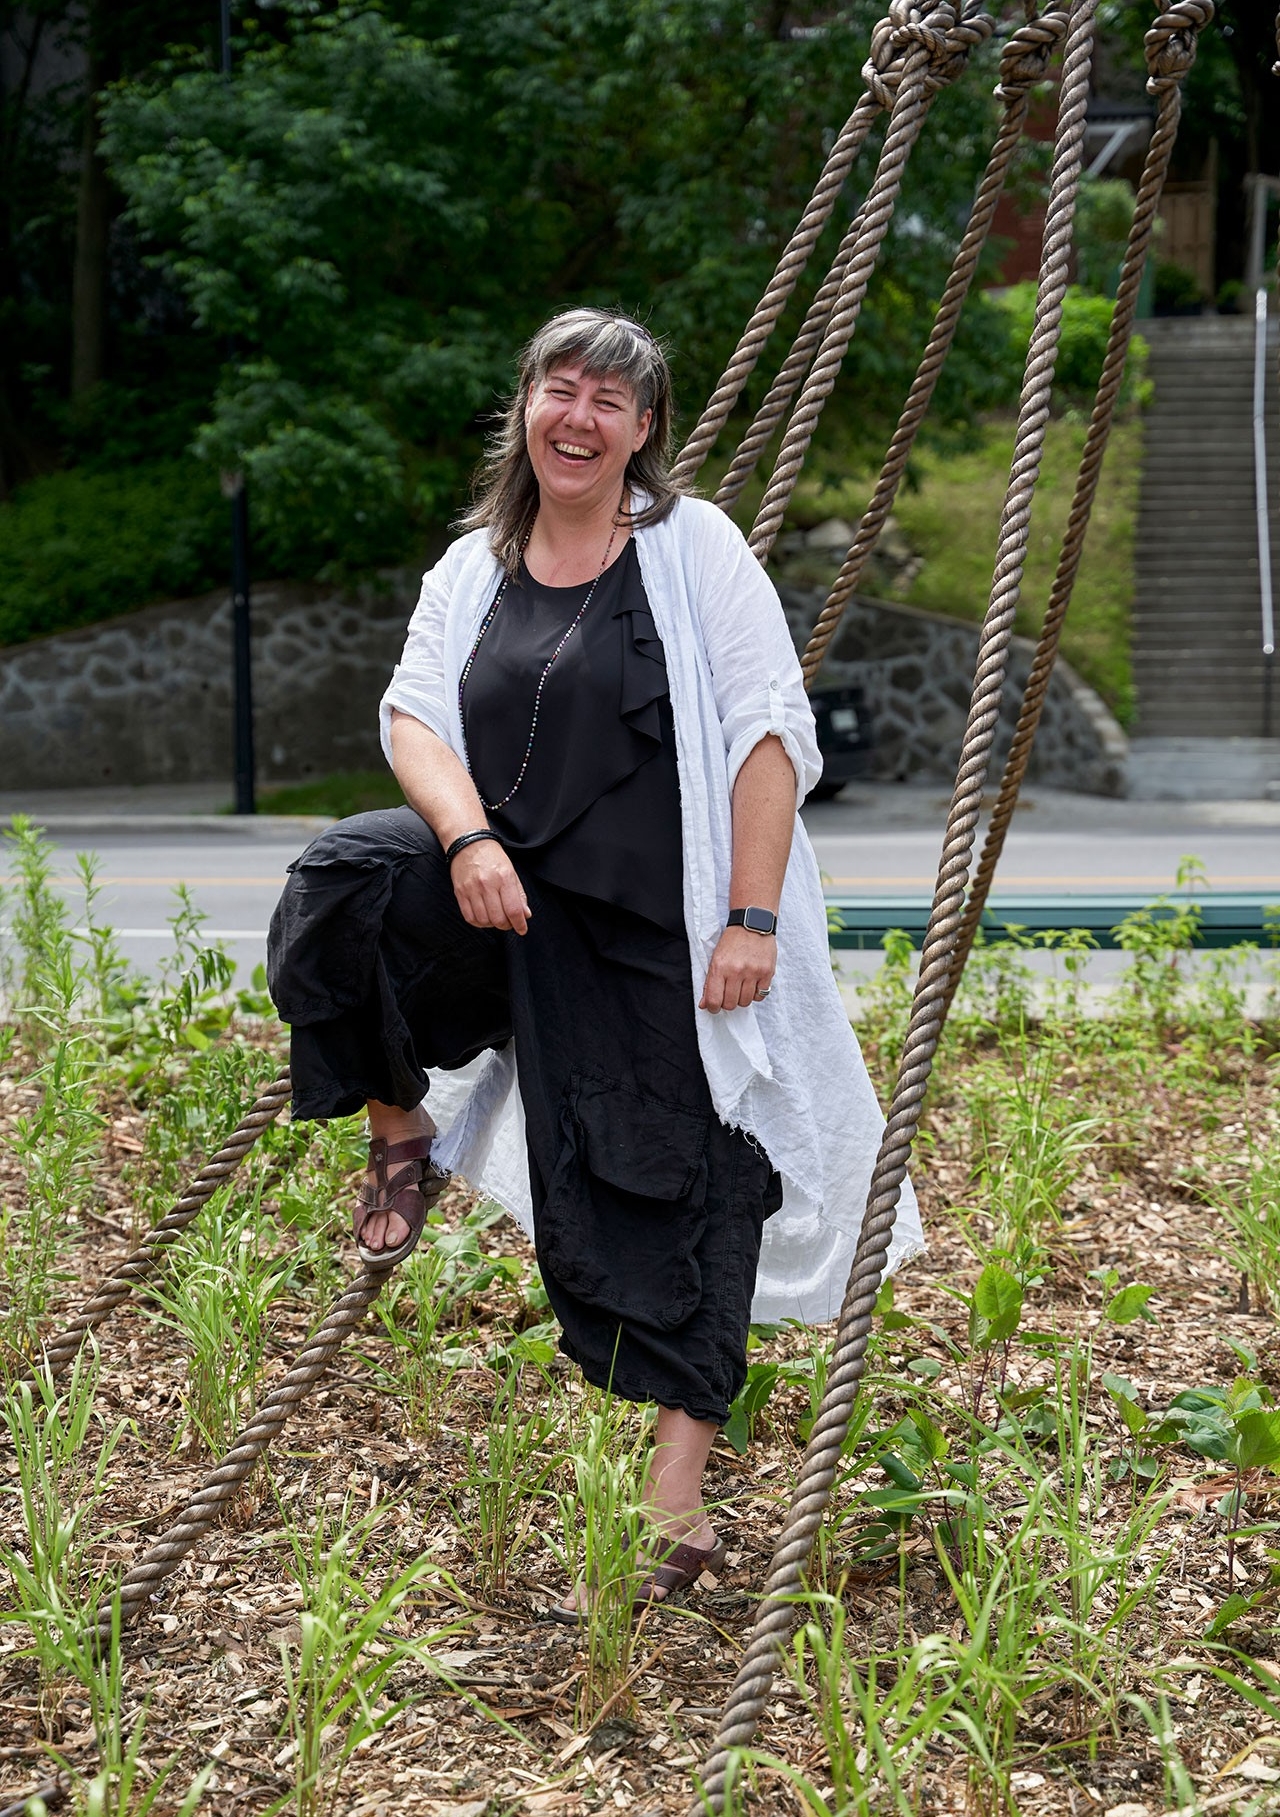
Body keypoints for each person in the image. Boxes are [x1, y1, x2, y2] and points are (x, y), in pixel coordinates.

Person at [267, 306, 923, 1616]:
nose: (579, 417)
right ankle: (400, 1129)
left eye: (610, 403)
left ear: (643, 434)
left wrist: (748, 917)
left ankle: (677, 1498)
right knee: (343, 884)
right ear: (526, 407)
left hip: (655, 929)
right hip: (506, 901)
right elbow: (412, 713)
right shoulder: (476, 566)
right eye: (560, 390)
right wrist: (462, 840)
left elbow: (766, 732)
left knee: (682, 1176)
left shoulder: (692, 550)